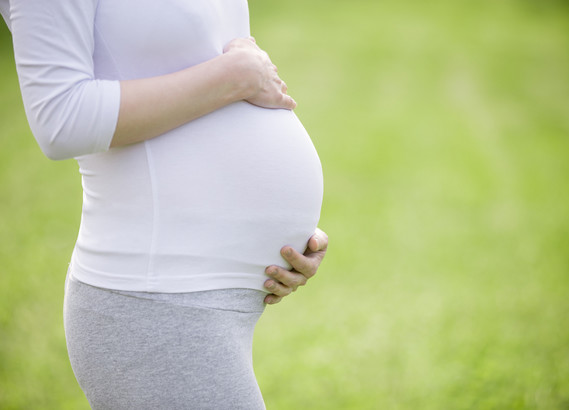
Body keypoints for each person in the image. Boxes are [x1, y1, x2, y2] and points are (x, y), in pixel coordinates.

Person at [0, 0, 328, 408]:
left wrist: (281, 231)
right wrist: (235, 75)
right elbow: (61, 118)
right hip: (154, 296)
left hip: (197, 289)